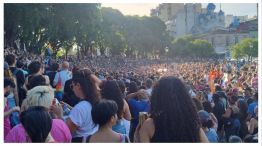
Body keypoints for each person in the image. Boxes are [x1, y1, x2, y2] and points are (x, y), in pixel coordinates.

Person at [139, 76, 209, 142]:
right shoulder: (192, 124)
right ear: (184, 97)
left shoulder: (149, 125)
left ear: (157, 97)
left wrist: (138, 137)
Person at [5, 86, 72, 143]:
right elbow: (68, 140)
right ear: (51, 104)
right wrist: (60, 116)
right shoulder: (60, 124)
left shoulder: (17, 130)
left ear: (29, 103)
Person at [65, 68, 101, 142]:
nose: (73, 89)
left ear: (78, 85)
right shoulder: (96, 101)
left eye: (72, 86)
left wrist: (58, 115)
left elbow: (66, 132)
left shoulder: (80, 108)